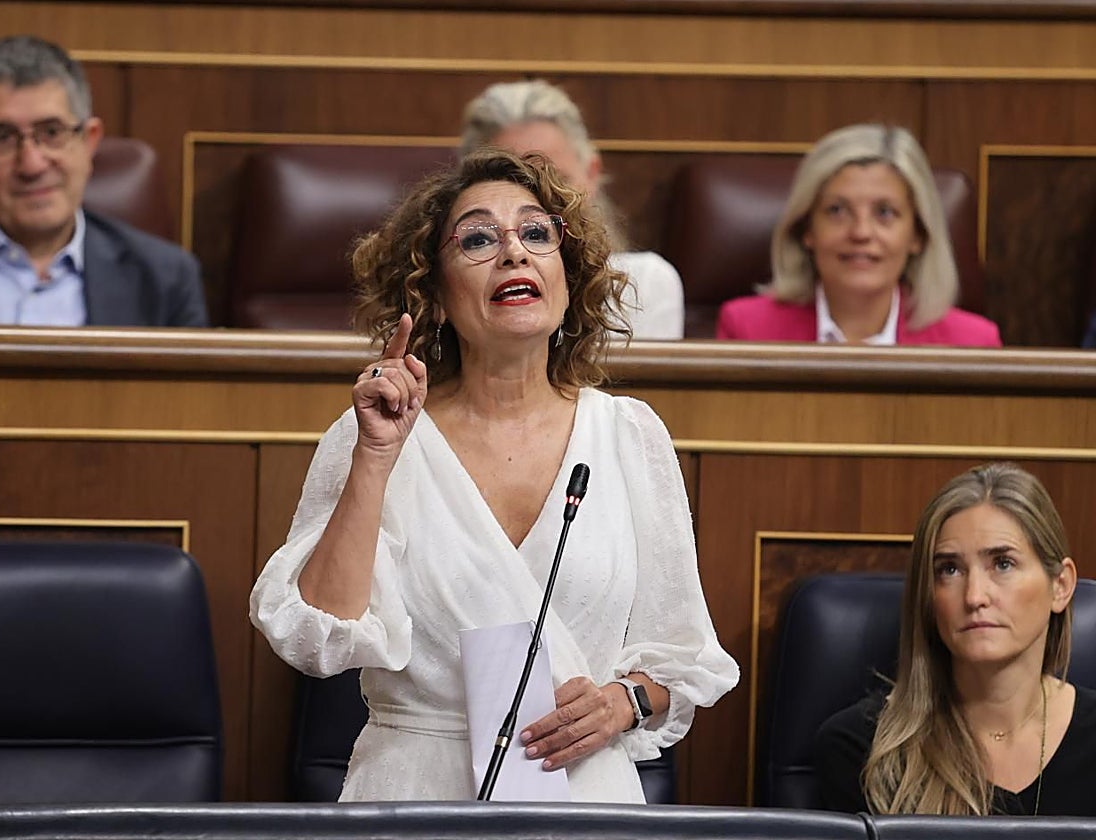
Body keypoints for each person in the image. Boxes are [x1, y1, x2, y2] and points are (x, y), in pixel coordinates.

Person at [250, 148, 738, 802]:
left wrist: (623, 703)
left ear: (567, 277)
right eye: (478, 238)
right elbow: (318, 638)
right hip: (414, 797)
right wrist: (375, 456)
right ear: (434, 292)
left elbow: (680, 657)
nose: (514, 252)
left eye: (537, 233)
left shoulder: (628, 435)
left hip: (581, 793)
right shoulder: (376, 432)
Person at [815, 462, 1095, 816]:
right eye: (950, 569)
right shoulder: (862, 749)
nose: (974, 596)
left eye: (1003, 563)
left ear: (1061, 585)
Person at [0, 35, 207, 327]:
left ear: (89, 141)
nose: (31, 165)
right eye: (3, 138)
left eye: (52, 132)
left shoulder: (167, 281)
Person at [716, 124, 1000, 347]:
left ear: (917, 236)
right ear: (807, 230)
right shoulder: (747, 330)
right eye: (837, 210)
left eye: (885, 213)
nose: (861, 232)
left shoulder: (971, 343)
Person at [459, 79, 685, 341]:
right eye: (514, 183)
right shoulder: (458, 293)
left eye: (556, 180)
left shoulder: (645, 282)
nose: (537, 205)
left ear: (592, 174)